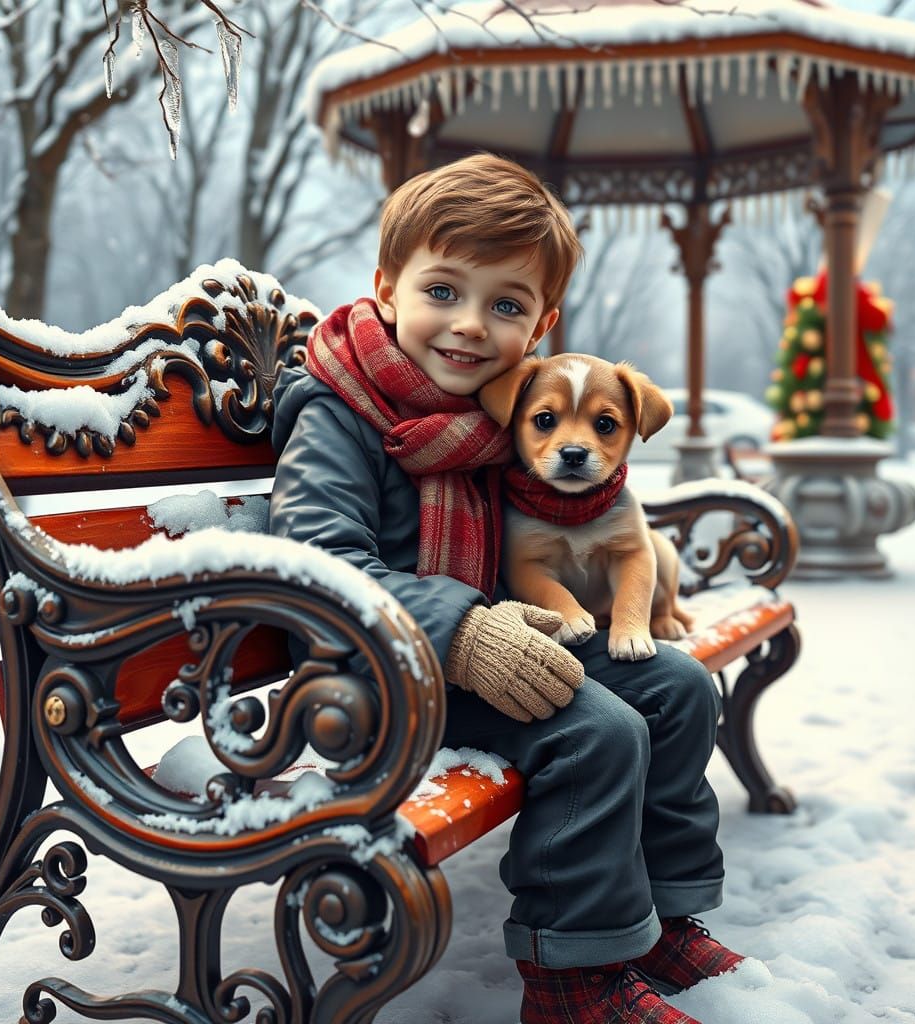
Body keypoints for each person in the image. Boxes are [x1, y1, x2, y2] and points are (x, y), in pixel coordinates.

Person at [269, 153, 742, 1024]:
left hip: (487, 649)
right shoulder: (337, 409)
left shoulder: (492, 420)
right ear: (386, 286)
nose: (469, 325)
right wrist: (464, 631)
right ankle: (572, 979)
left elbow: (562, 523)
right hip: (371, 677)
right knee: (596, 730)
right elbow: (319, 565)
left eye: (507, 305)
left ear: (541, 326)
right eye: (443, 290)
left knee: (673, 687)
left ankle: (668, 914)